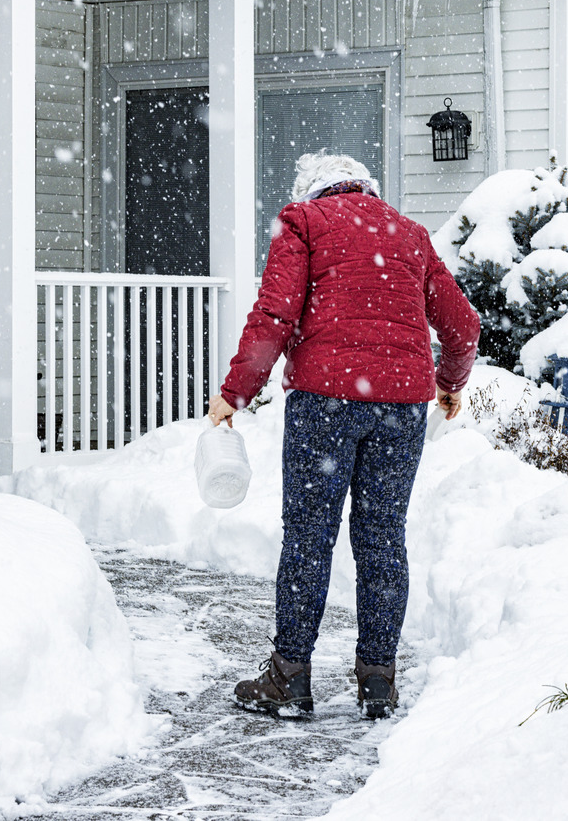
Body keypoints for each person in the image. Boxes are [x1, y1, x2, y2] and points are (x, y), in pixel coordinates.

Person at [207, 151, 480, 720]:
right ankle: (378, 681)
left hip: (325, 402)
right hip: (401, 407)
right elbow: (463, 325)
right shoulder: (408, 235)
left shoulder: (303, 223)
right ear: (366, 189)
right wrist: (451, 381)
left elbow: (275, 316)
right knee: (383, 536)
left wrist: (236, 391)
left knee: (309, 536)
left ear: (313, 192)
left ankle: (290, 679)